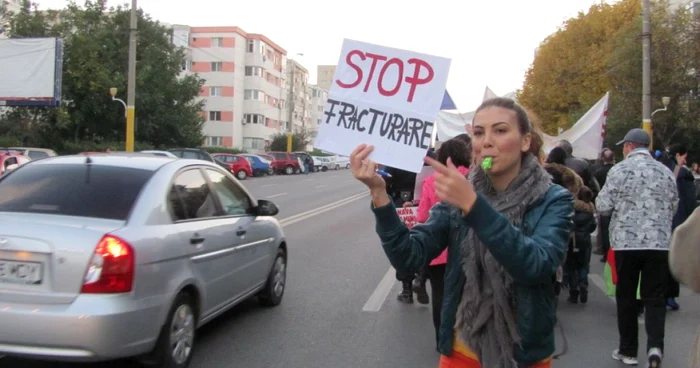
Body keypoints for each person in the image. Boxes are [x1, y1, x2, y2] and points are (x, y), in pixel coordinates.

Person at [351, 97, 572, 368]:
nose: (486, 141)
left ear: (525, 141)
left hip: (524, 356)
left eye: (500, 130)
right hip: (460, 353)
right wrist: (379, 193)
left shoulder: (553, 199)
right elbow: (408, 258)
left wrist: (473, 205)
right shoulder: (461, 196)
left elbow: (536, 266)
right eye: (478, 133)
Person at [596, 128, 678, 367]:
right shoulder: (664, 171)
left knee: (627, 297)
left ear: (630, 146)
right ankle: (655, 347)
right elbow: (673, 206)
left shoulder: (619, 170)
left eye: (624, 146)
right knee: (655, 298)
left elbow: (603, 205)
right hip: (658, 245)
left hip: (625, 244)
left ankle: (628, 350)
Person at [415, 137, 471, 349]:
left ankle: (443, 341)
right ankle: (467, 341)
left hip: (438, 251)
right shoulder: (474, 177)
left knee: (440, 296)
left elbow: (422, 217)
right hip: (467, 249)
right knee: (468, 295)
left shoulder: (431, 182)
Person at [659, 143, 697, 310]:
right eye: (684, 157)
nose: (685, 160)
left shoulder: (659, 170)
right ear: (678, 156)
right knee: (673, 257)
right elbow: (689, 202)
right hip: (677, 222)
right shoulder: (684, 175)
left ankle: (657, 294)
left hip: (659, 223)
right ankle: (670, 296)